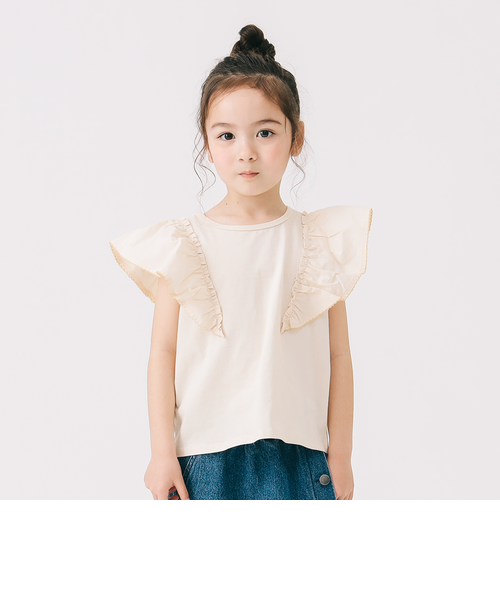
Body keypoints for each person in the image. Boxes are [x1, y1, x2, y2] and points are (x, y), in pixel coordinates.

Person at [109, 24, 373, 500]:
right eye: (227, 135)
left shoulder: (319, 241)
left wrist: (342, 455)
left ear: (296, 137)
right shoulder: (184, 243)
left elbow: (339, 357)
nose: (246, 152)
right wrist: (161, 453)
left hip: (300, 459)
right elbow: (163, 353)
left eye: (265, 132)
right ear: (207, 144)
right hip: (204, 462)